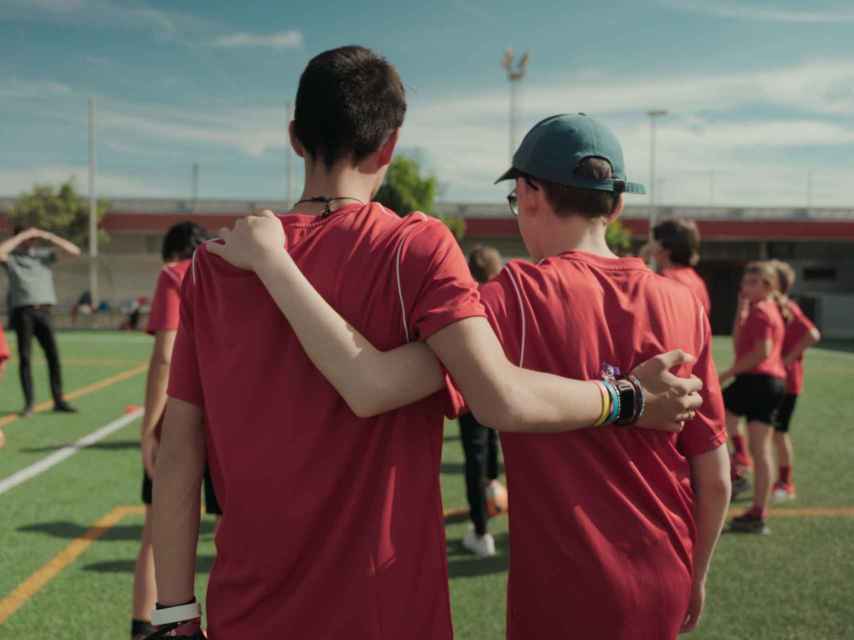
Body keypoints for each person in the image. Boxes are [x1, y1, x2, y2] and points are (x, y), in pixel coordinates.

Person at [149, 48, 703, 640]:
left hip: (248, 608)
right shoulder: (415, 247)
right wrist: (628, 398)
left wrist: (174, 612)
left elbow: (178, 449)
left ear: (294, 138)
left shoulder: (214, 266)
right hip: (388, 609)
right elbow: (494, 394)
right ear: (389, 147)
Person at [131, 222, 222, 640]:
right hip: (231, 418)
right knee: (230, 532)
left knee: (158, 535)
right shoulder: (230, 270)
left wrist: (150, 428)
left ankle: (148, 628)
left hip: (182, 420)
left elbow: (166, 355)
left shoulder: (175, 274)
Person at [719, 261, 787, 534]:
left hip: (756, 380)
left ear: (768, 286)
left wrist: (727, 374)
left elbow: (761, 352)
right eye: (744, 282)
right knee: (761, 450)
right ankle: (759, 512)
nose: (745, 287)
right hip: (771, 383)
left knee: (708, 414)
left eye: (753, 283)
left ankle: (738, 464)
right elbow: (738, 342)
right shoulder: (764, 308)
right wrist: (740, 309)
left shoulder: (761, 312)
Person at [0, 226, 81, 416]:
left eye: (33, 238)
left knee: (53, 356)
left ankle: (58, 400)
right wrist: (21, 236)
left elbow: (75, 251)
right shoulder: (12, 258)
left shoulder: (43, 256)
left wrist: (48, 236)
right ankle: (29, 404)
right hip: (23, 312)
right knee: (25, 358)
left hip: (44, 311)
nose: (31, 241)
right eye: (28, 238)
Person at [459, 245, 506, 558]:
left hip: (473, 389)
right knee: (492, 440)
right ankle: (492, 488)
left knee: (475, 455)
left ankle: (480, 531)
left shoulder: (470, 299)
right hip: (503, 385)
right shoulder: (507, 295)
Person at [769, 260, 820, 502]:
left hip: (787, 383)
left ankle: (785, 482)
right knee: (767, 432)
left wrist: (786, 361)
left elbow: (812, 333)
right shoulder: (770, 306)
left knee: (779, 433)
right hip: (773, 380)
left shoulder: (788, 307)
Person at [649, 218, 711, 315]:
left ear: (662, 247)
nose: (649, 246)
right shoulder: (698, 282)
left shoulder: (664, 279)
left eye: (653, 241)